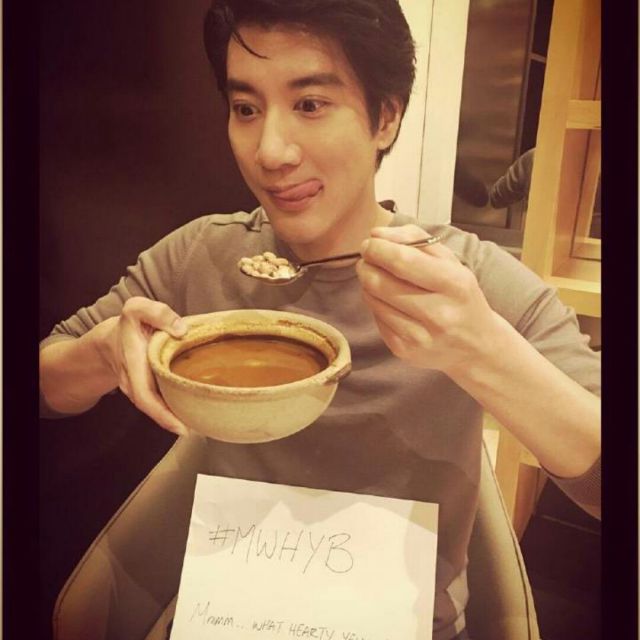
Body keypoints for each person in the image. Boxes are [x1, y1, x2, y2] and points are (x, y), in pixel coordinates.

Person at [39, 1, 601, 638]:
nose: (271, 152)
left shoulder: (468, 280)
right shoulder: (202, 256)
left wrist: (483, 350)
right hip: (231, 608)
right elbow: (40, 388)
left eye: (310, 104)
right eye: (246, 108)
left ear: (385, 117)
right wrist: (100, 355)